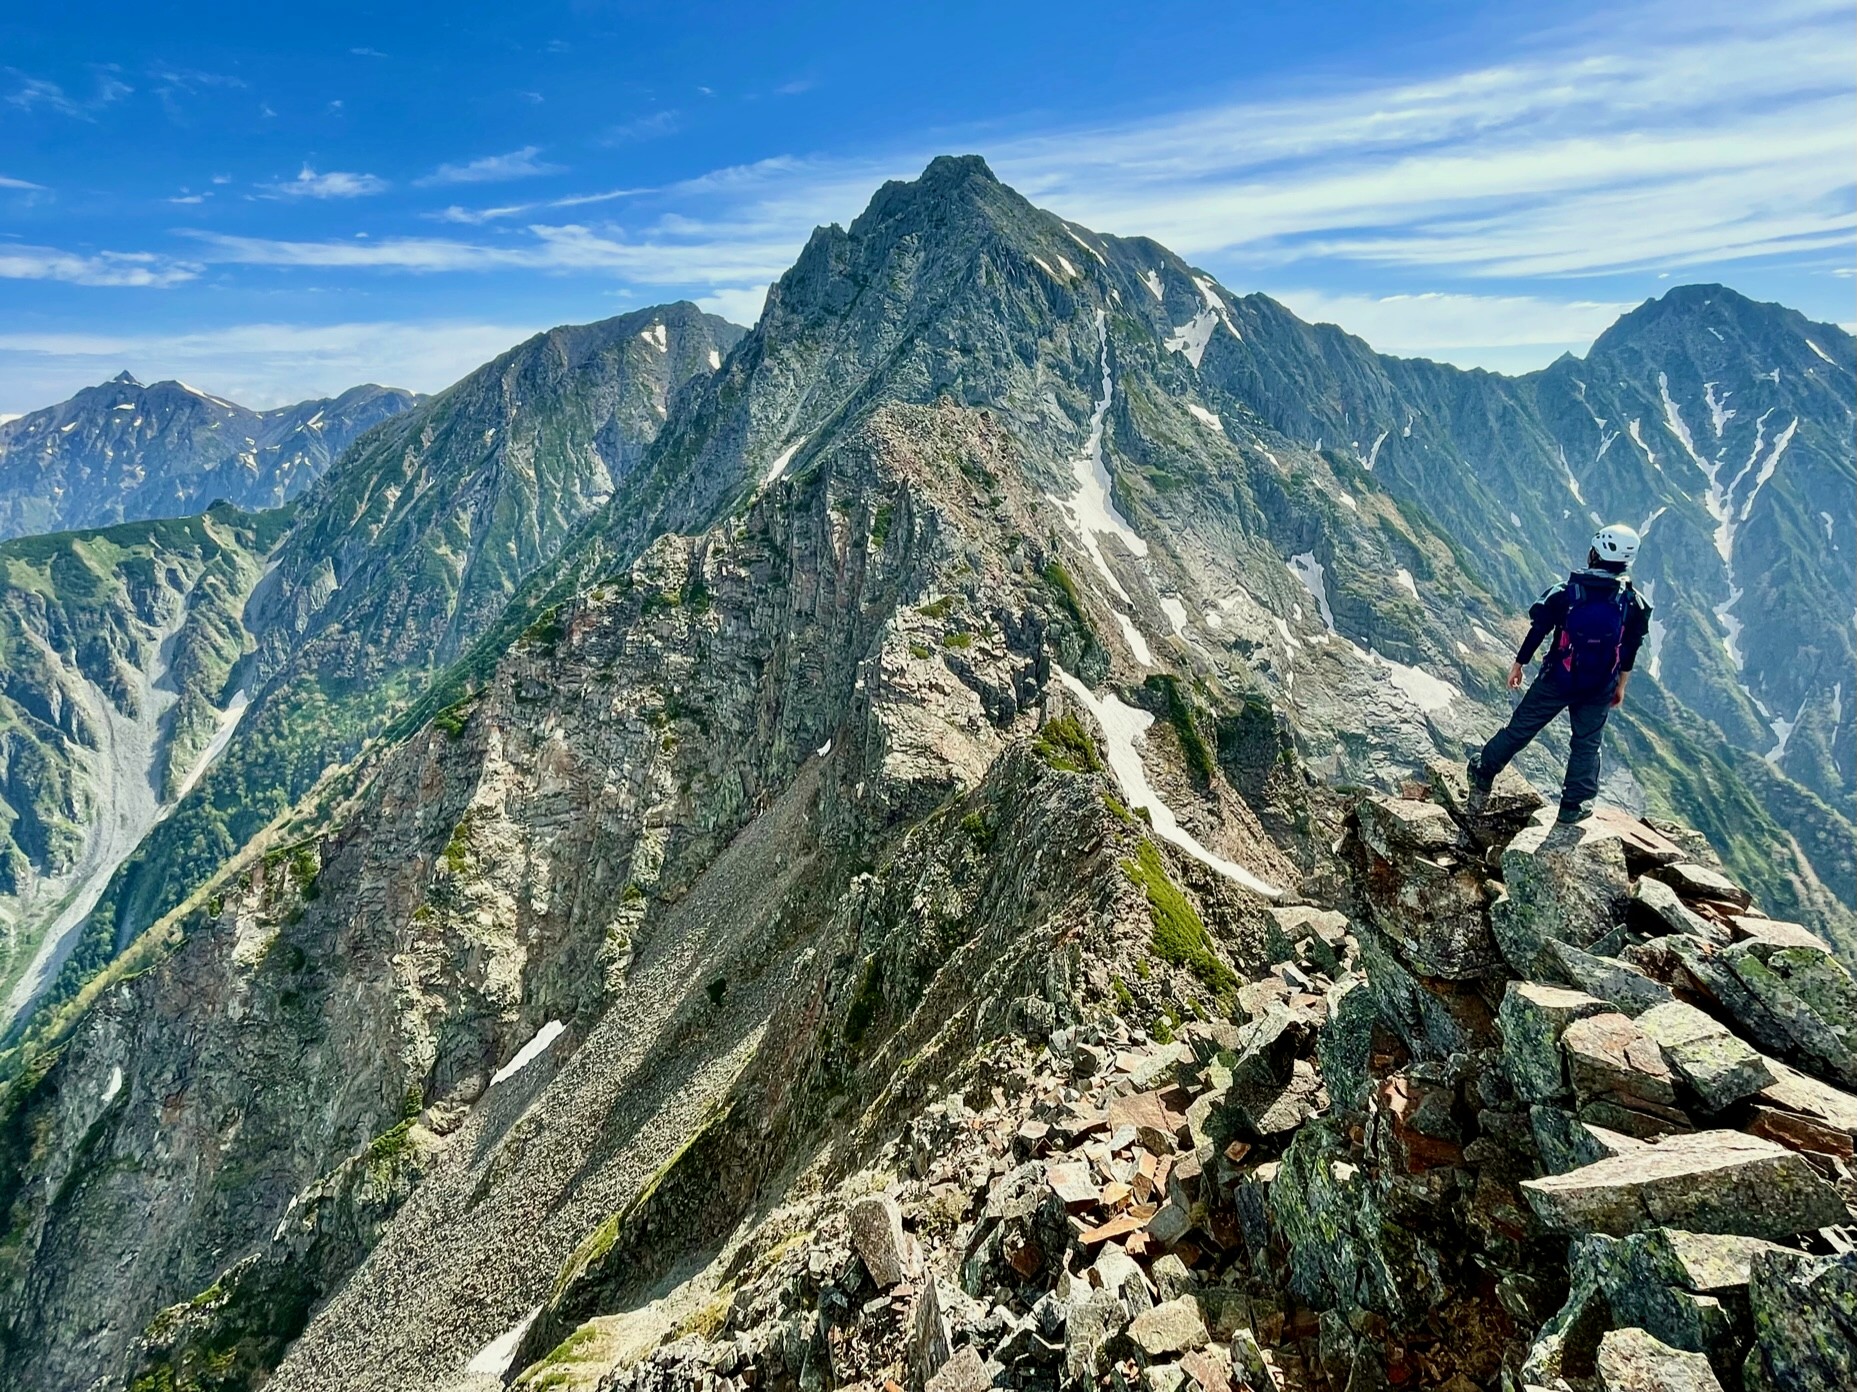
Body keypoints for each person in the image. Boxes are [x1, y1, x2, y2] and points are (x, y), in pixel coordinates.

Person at [1468, 524, 1652, 824]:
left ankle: (1483, 771)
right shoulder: (1632, 603)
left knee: (1521, 728)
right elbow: (1631, 647)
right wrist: (1621, 685)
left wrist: (1519, 663)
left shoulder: (1565, 593)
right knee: (1586, 743)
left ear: (1595, 553)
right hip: (1600, 684)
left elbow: (1539, 628)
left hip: (1557, 678)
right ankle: (1572, 806)